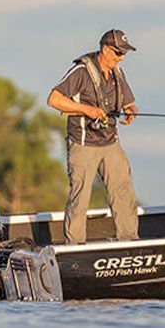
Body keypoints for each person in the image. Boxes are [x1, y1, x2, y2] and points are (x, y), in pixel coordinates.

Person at [47, 29, 140, 244]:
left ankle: (129, 241)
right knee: (80, 198)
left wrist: (131, 110)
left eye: (124, 53)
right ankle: (74, 246)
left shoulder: (118, 73)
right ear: (105, 50)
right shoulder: (81, 71)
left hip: (110, 143)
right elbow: (53, 99)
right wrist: (87, 110)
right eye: (118, 53)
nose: (122, 57)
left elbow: (128, 102)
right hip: (83, 144)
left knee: (123, 192)